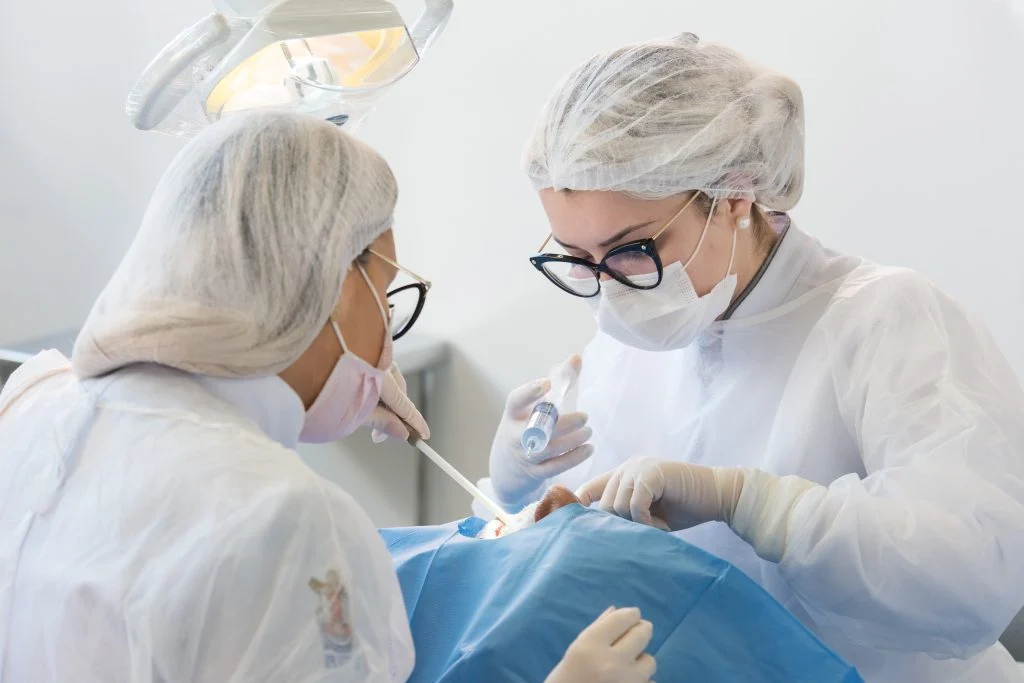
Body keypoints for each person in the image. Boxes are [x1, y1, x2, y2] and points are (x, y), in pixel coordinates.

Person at [0, 111, 653, 682]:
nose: (388, 337)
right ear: (337, 285)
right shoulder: (281, 517)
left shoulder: (35, 406)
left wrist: (302, 389)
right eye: (388, 294)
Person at [478, 32, 1024, 682]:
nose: (610, 288)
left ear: (734, 195)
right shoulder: (630, 346)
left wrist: (751, 503)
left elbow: (974, 579)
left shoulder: (886, 320)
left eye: (632, 249)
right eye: (577, 259)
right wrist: (518, 489)